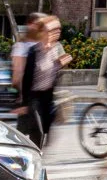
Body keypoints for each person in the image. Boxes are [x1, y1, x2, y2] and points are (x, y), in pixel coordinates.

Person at [16, 16, 69, 149]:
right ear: (41, 33)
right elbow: (26, 78)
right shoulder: (34, 51)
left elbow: (57, 73)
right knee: (37, 132)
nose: (52, 33)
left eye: (55, 31)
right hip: (34, 97)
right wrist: (23, 103)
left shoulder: (56, 50)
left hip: (47, 98)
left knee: (42, 133)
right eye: (49, 31)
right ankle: (31, 158)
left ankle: (33, 157)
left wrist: (62, 63)